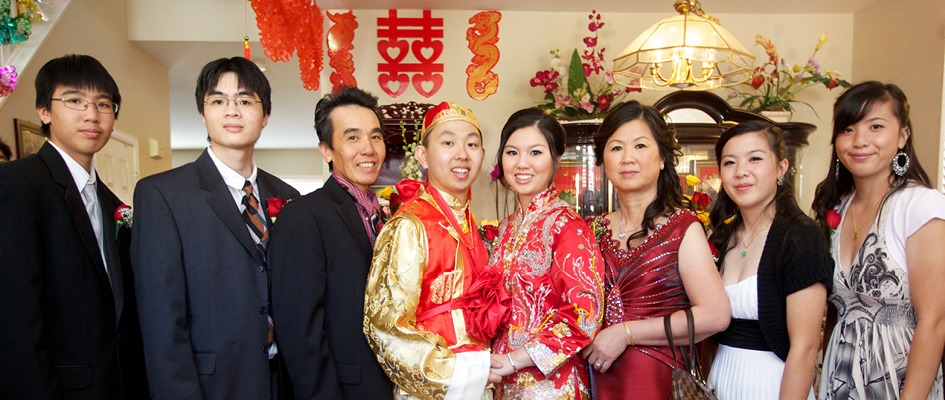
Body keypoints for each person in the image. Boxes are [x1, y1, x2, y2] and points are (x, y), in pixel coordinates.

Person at [131, 57, 300, 400]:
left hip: (282, 382)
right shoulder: (163, 194)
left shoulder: (287, 196)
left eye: (244, 100)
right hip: (211, 386)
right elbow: (161, 321)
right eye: (218, 101)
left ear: (265, 115)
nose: (232, 111)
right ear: (203, 112)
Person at [0, 54, 148, 399]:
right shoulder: (17, 186)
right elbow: (14, 316)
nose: (92, 115)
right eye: (74, 101)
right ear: (44, 111)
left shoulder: (113, 204)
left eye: (103, 104)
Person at [582, 100, 730, 399]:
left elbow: (715, 315)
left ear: (662, 158)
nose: (627, 158)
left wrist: (625, 333)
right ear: (603, 161)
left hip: (655, 383)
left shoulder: (682, 228)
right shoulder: (590, 230)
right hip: (594, 379)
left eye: (640, 146)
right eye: (616, 148)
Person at [813, 81, 945, 399]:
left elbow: (935, 321)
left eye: (875, 127)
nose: (860, 141)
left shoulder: (920, 206)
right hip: (839, 379)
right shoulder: (837, 210)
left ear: (902, 136)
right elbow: (833, 311)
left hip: (898, 383)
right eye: (848, 129)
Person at [364, 101, 500, 399]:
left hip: (482, 378)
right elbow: (387, 327)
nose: (462, 153)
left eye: (472, 143)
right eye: (448, 142)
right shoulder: (409, 225)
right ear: (423, 156)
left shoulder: (469, 222)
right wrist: (460, 371)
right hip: (438, 386)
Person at [269, 86, 394, 399]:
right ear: (326, 150)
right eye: (352, 137)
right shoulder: (304, 216)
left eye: (375, 136)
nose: (368, 148)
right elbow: (300, 334)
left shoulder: (387, 218)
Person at [705, 120, 831, 399]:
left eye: (755, 159)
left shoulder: (800, 237)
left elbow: (805, 347)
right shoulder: (722, 238)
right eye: (729, 163)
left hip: (774, 384)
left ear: (781, 168)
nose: (741, 172)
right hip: (721, 379)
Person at [486, 108, 605, 399]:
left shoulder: (568, 226)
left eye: (535, 152)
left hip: (551, 386)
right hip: (502, 381)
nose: (522, 163)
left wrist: (514, 360)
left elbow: (585, 317)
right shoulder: (505, 228)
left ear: (556, 161)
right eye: (512, 152)